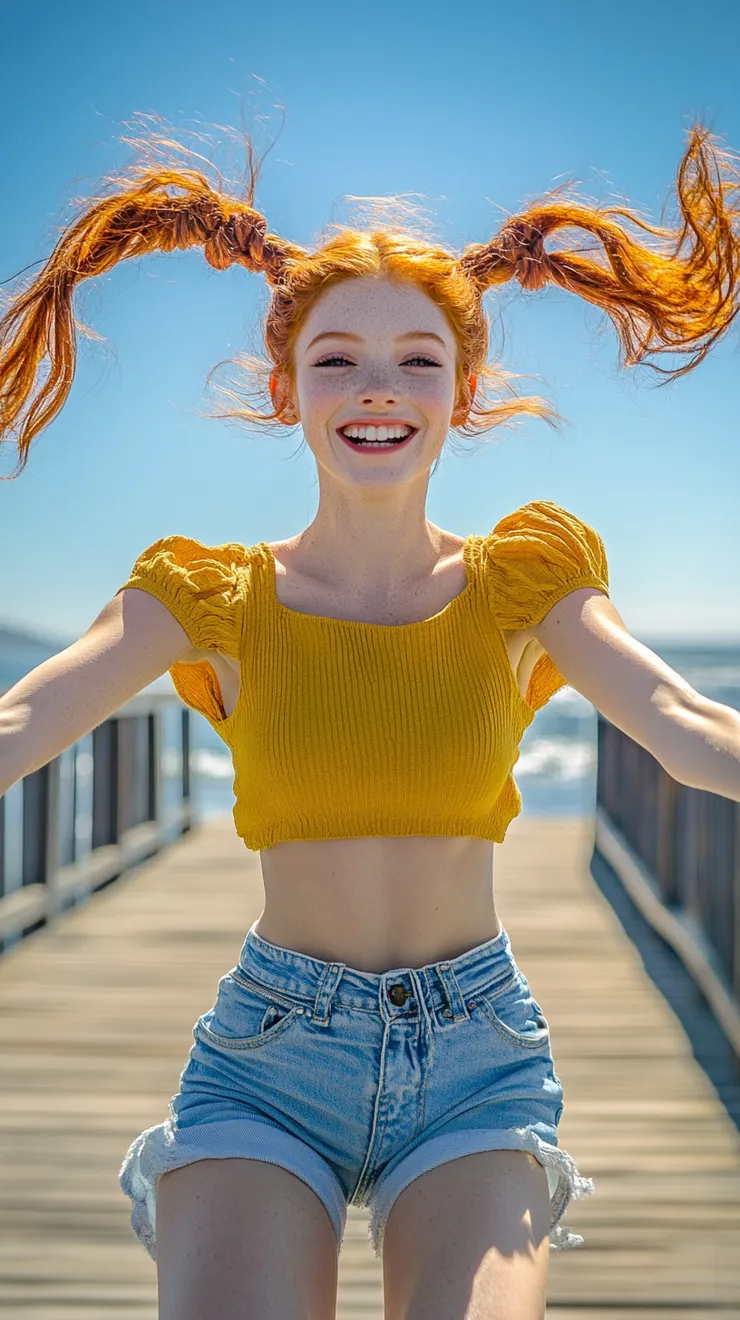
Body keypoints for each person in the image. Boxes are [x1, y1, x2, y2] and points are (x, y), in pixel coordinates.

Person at [1, 120, 740, 1320]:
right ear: (285, 388)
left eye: (418, 361)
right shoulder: (212, 596)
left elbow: (676, 717)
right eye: (338, 360)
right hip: (268, 1058)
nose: (378, 390)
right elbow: (24, 717)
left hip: (474, 1062)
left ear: (464, 391)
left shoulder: (522, 582)